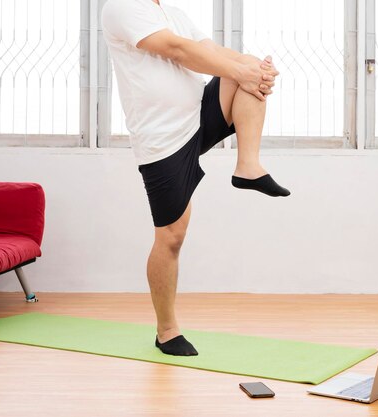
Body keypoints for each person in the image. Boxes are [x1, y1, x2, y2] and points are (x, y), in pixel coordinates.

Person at [102, 0, 290, 356]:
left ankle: (247, 166)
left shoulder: (173, 12)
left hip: (196, 116)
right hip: (161, 141)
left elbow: (211, 50)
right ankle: (166, 331)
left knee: (247, 64)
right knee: (172, 236)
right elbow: (177, 49)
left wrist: (256, 71)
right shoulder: (122, 6)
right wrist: (244, 72)